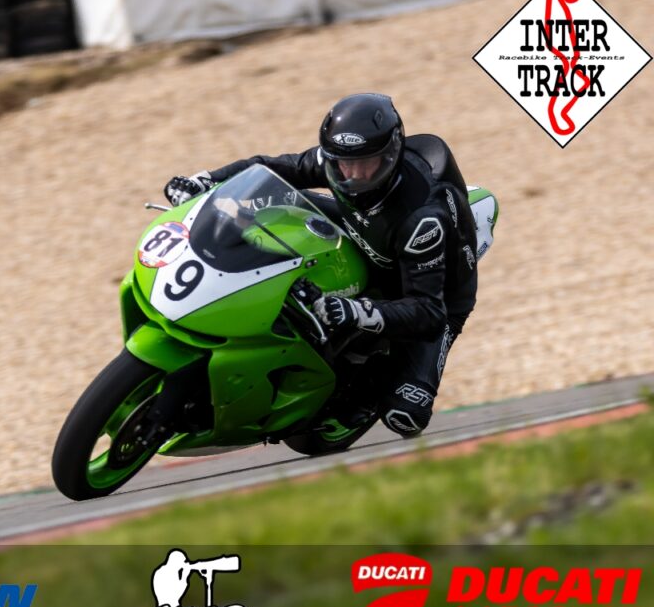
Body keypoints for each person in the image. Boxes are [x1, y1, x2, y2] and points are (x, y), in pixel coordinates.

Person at [163, 93, 479, 438]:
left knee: (405, 415)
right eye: (342, 162)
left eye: (365, 163)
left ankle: (365, 389)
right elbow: (270, 169)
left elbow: (428, 312)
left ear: (390, 156)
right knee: (265, 202)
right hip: (360, 228)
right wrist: (206, 181)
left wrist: (356, 311)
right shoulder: (338, 161)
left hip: (431, 296)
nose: (352, 174)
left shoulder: (423, 219)